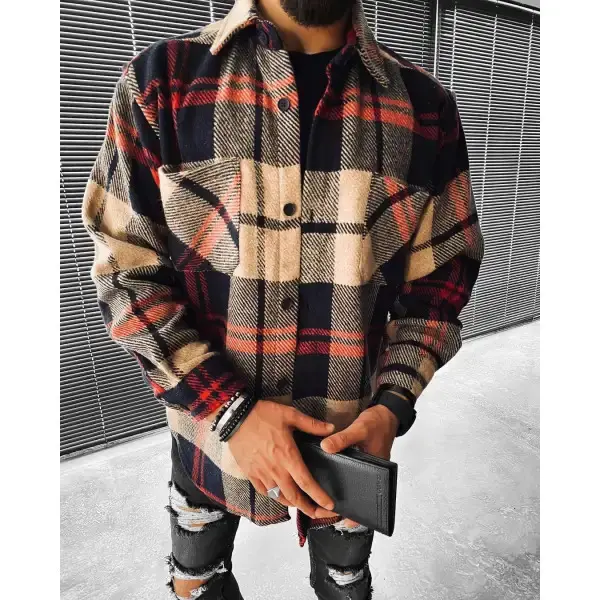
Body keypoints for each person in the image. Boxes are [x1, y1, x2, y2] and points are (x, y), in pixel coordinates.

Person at [81, 0, 484, 597]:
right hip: (208, 443)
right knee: (197, 580)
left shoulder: (425, 110)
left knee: (346, 585)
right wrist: (230, 412)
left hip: (349, 447)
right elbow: (127, 272)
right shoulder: (160, 85)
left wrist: (391, 408)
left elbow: (439, 287)